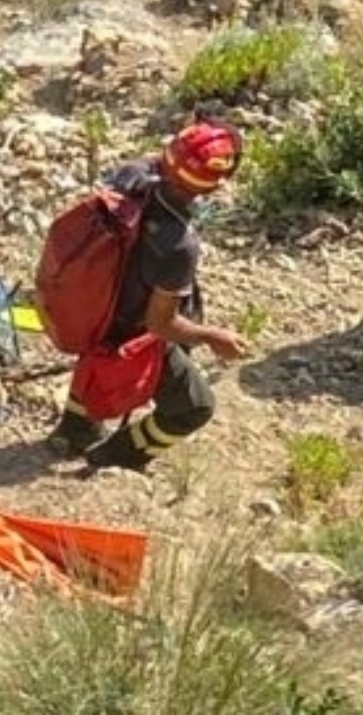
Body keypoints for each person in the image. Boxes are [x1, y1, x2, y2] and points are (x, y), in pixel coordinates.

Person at [45, 117, 250, 474]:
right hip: (133, 326)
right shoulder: (178, 246)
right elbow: (161, 322)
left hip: (98, 302)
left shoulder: (131, 174)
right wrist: (213, 336)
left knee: (97, 352)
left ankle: (74, 431)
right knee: (194, 406)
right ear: (214, 185)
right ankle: (116, 457)